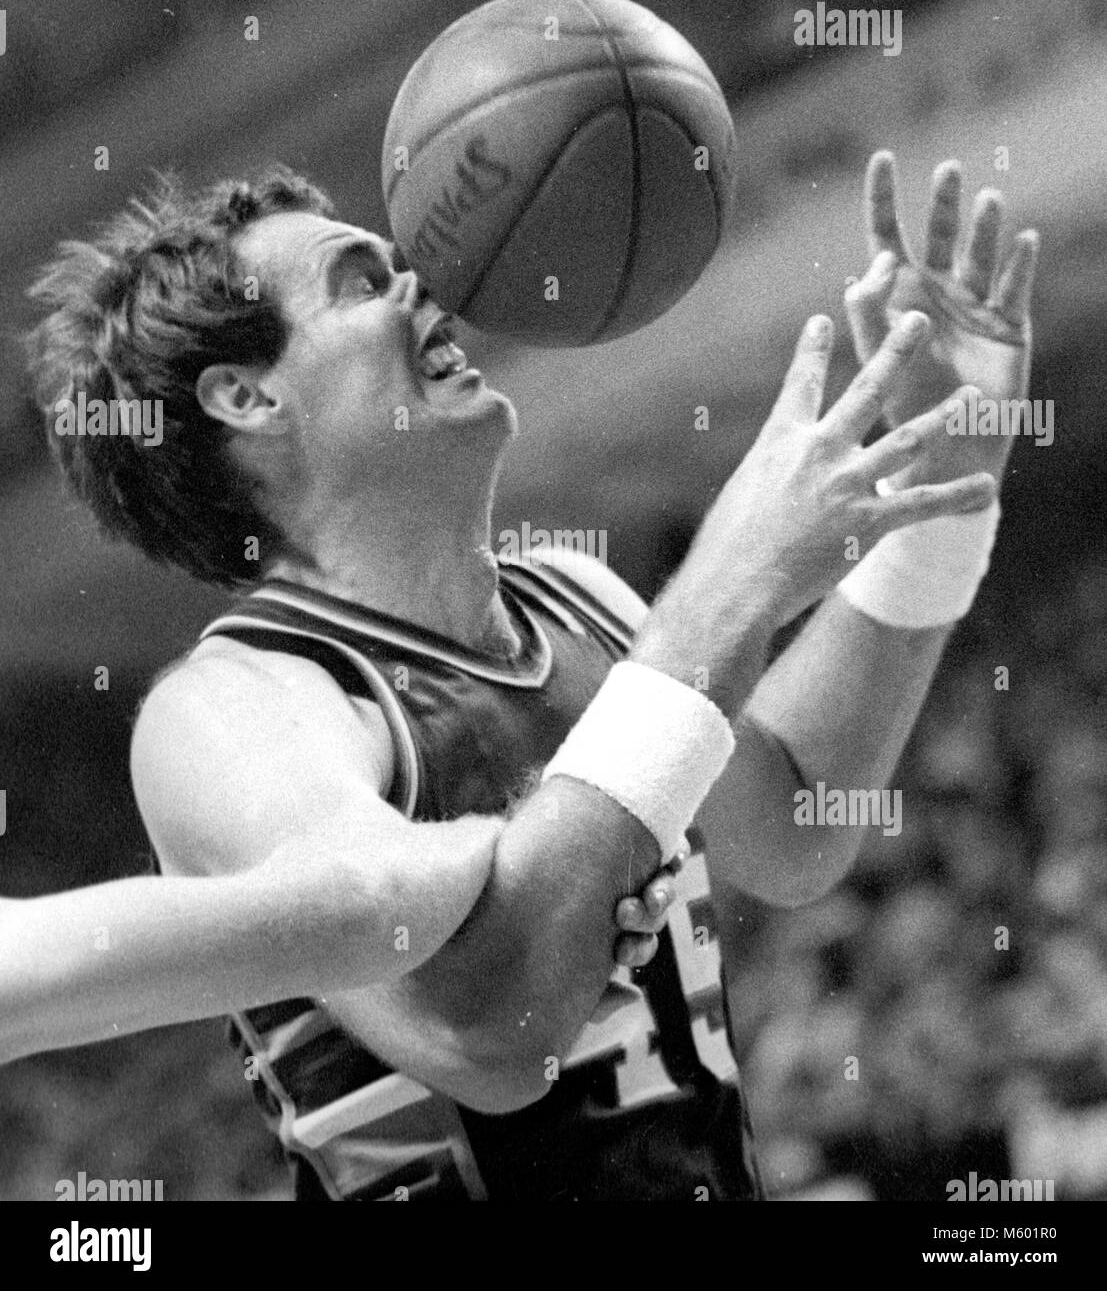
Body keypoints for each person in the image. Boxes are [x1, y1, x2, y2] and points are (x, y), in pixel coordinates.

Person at [2, 150, 1037, 1200]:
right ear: (246, 395)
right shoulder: (232, 706)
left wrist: (937, 500)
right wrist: (732, 578)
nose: (421, 285)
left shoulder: (576, 597)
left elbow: (795, 822)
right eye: (359, 281)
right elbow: (484, 1025)